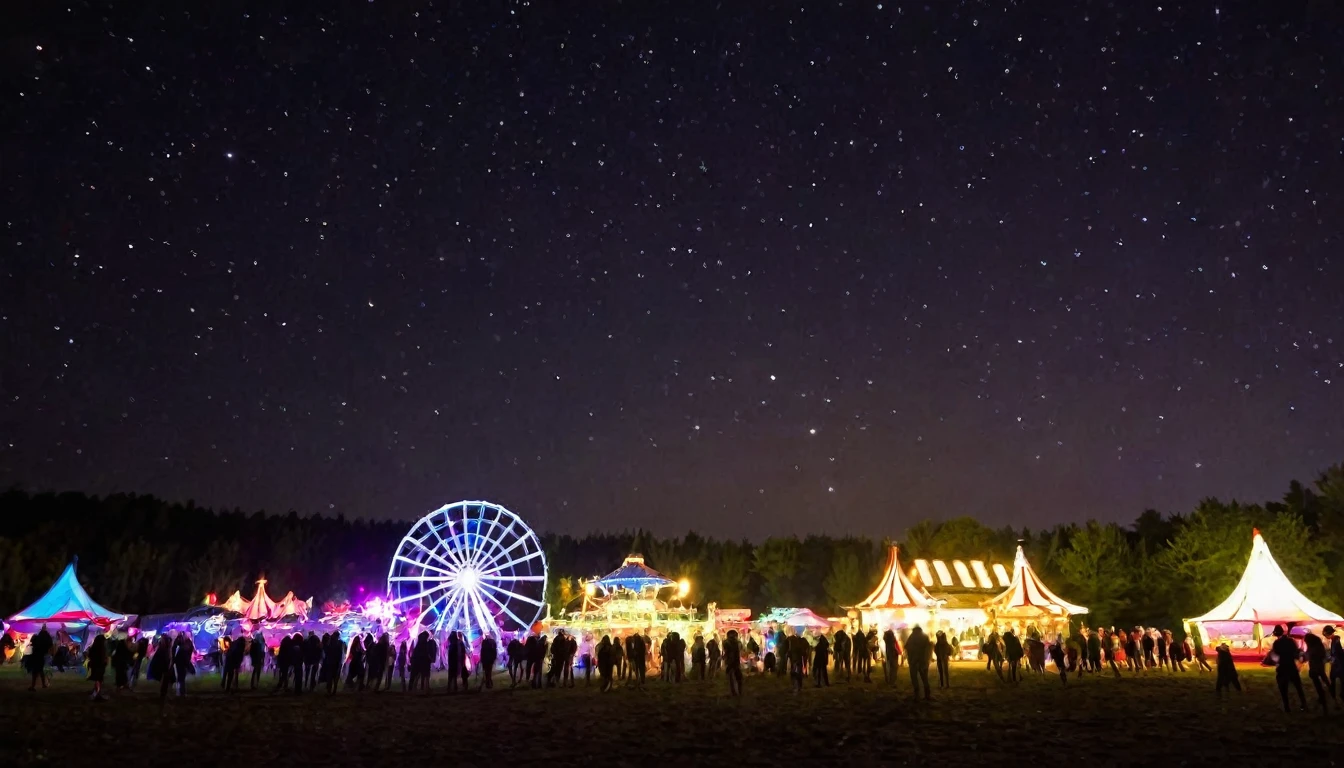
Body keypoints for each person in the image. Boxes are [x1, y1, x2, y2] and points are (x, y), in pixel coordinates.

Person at [1270, 625, 1307, 712]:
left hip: (1282, 666)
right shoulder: (1291, 641)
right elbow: (1296, 651)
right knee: (1298, 686)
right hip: (1291, 665)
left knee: (1283, 688)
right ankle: (1304, 704)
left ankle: (1286, 706)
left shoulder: (1277, 643)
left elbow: (1275, 655)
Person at [1303, 629, 1330, 713]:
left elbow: (1308, 656)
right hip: (1320, 667)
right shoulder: (1319, 645)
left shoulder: (1312, 648)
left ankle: (1323, 701)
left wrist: (1304, 656)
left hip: (1314, 669)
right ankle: (1330, 692)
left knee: (1318, 685)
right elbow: (1323, 656)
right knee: (1324, 679)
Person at [905, 625, 932, 700]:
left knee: (914, 678)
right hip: (922, 661)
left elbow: (907, 647)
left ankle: (917, 695)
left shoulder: (911, 637)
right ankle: (927, 695)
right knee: (925, 678)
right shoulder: (925, 636)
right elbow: (928, 648)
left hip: (913, 661)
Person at [27, 624, 52, 691]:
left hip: (37, 656)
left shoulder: (38, 638)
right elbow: (49, 643)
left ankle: (34, 686)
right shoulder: (43, 638)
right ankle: (41, 685)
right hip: (40, 656)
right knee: (40, 670)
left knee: (36, 671)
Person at [87, 634, 108, 701]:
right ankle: (97, 694)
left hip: (95, 665)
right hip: (99, 666)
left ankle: (96, 693)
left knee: (97, 679)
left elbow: (90, 655)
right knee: (99, 679)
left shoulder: (93, 648)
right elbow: (102, 658)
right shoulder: (101, 649)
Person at [173, 632, 194, 696]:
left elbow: (184, 649)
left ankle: (181, 692)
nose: (184, 636)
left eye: (185, 635)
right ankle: (181, 691)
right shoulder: (184, 643)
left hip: (182, 662)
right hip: (180, 662)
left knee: (181, 677)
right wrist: (178, 637)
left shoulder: (188, 643)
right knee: (180, 677)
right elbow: (175, 645)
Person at [723, 629, 743, 697]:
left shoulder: (727, 642)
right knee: (737, 678)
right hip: (734, 662)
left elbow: (727, 652)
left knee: (733, 678)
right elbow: (729, 653)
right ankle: (737, 692)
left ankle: (735, 692)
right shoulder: (736, 642)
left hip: (732, 662)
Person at [1326, 626, 1343, 703]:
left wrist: (1332, 658)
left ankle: (1334, 694)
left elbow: (1336, 652)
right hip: (1339, 663)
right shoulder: (1334, 639)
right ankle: (1337, 694)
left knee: (1334, 678)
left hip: (1338, 664)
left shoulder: (1335, 639)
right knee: (1340, 678)